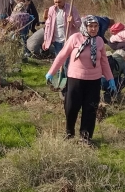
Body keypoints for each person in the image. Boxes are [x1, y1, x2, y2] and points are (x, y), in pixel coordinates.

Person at [45, 16, 114, 144]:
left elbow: (104, 61)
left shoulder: (99, 41)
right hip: (76, 79)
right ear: (85, 26)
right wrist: (51, 72)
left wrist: (110, 79)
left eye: (96, 26)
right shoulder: (75, 38)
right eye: (90, 26)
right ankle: (69, 132)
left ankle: (85, 137)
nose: (93, 29)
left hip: (94, 80)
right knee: (71, 107)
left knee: (90, 108)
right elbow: (62, 55)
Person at [42, 0, 82, 88]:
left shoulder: (71, 9)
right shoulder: (51, 10)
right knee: (58, 60)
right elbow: (48, 26)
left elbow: (79, 24)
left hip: (68, 40)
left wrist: (71, 21)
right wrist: (45, 39)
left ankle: (69, 81)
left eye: (59, 2)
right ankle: (60, 80)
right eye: (55, 2)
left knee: (67, 62)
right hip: (57, 40)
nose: (57, 4)